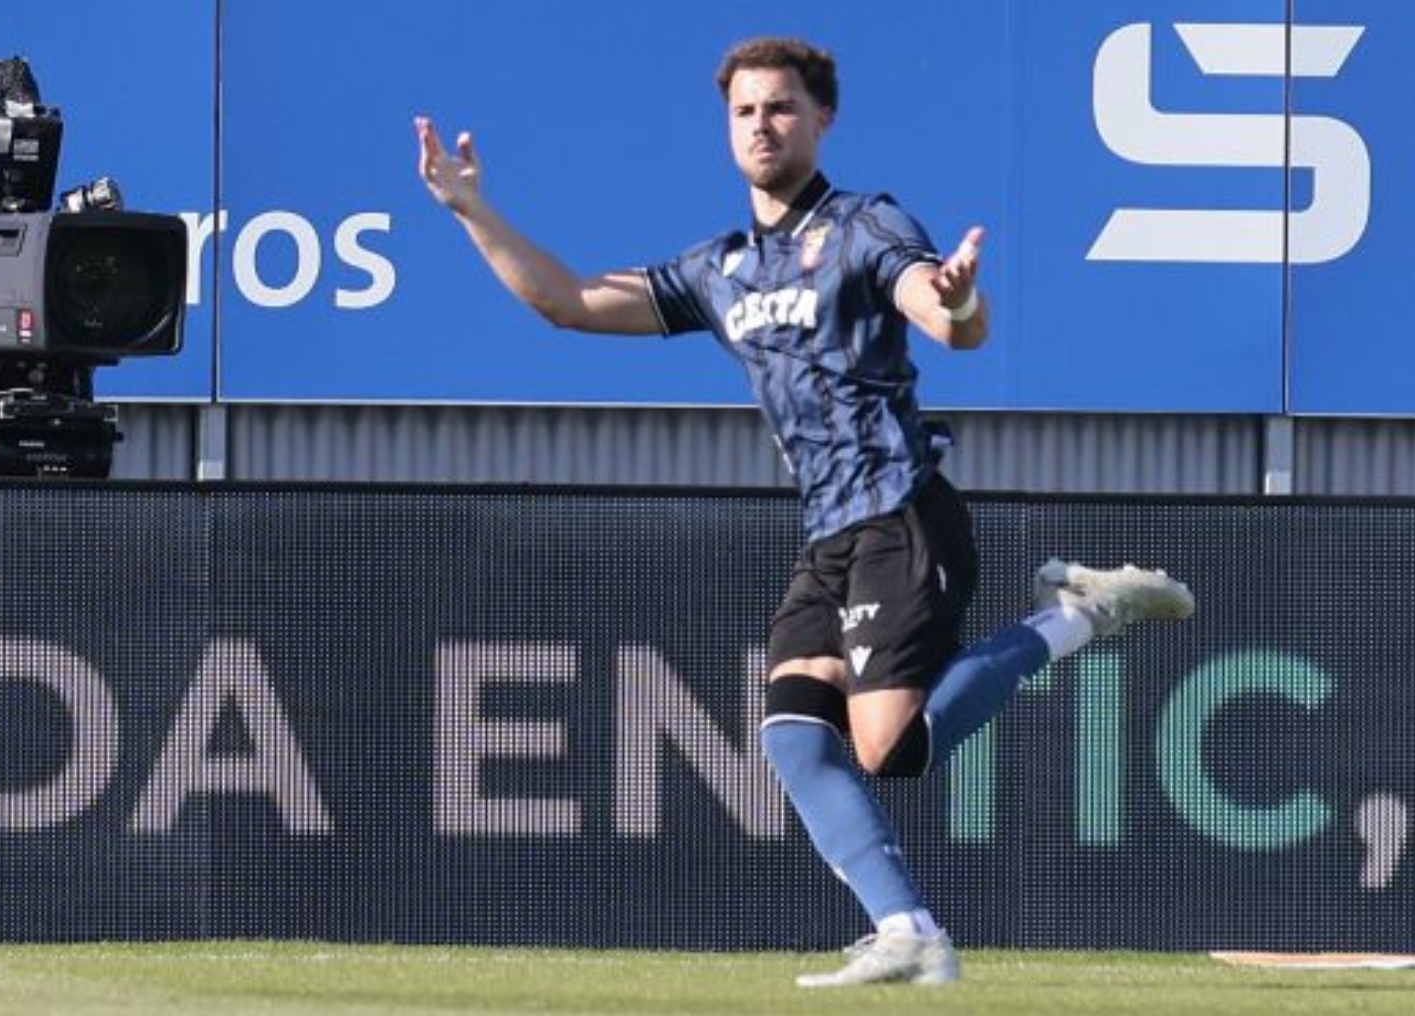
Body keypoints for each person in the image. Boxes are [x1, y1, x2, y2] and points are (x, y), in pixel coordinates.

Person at [416, 36, 1195, 986]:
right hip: (829, 532)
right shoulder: (720, 267)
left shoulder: (866, 225)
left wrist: (958, 304)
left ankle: (1076, 614)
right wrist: (471, 210)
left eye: (780, 107)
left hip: (901, 512)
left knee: (887, 749)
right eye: (745, 111)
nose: (761, 124)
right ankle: (907, 931)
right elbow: (571, 302)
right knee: (791, 733)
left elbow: (946, 315)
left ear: (821, 119)